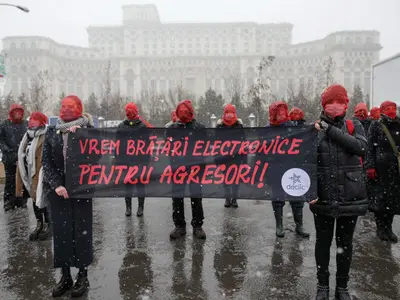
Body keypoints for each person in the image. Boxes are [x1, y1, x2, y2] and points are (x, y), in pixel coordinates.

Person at [310, 84, 368, 300]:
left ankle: (342, 287)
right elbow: (304, 162)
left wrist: (330, 130)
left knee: (345, 245)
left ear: (346, 105)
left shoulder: (355, 126)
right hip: (322, 195)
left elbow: (360, 148)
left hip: (349, 195)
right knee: (322, 244)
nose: (335, 107)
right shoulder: (312, 130)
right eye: (330, 103)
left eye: (339, 102)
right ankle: (322, 286)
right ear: (324, 105)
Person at [42, 95, 94, 298]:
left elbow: (96, 159)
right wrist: (57, 185)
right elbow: (46, 161)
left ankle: (82, 275)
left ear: (79, 109)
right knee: (62, 233)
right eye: (63, 107)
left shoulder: (88, 130)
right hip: (59, 192)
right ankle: (65, 276)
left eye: (71, 107)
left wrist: (81, 137)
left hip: (81, 189)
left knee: (81, 231)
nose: (66, 110)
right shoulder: (52, 131)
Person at [267, 101, 309, 238]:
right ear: (273, 114)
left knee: (297, 198)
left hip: (292, 168)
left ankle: (299, 225)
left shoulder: (293, 127)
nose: (281, 115)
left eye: (283, 112)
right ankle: (279, 225)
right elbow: (262, 150)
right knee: (278, 199)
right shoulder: (267, 129)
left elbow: (302, 145)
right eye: (278, 113)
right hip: (275, 168)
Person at [168, 100, 206, 240]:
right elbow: (168, 147)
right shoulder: (172, 129)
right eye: (181, 111)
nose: (183, 113)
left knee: (196, 197)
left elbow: (205, 147)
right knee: (177, 197)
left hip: (195, 168)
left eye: (185, 111)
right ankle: (179, 226)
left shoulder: (199, 128)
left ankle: (198, 226)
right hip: (178, 168)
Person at [366, 100, 400, 243]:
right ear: (382, 110)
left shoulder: (399, 124)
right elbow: (369, 147)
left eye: (393, 108)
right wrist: (370, 166)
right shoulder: (376, 125)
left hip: (395, 168)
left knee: (392, 200)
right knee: (380, 199)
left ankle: (389, 228)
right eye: (387, 108)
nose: (391, 110)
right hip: (380, 169)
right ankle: (381, 228)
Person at [16, 112, 51, 241]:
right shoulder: (27, 136)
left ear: (41, 122)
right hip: (27, 172)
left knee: (42, 199)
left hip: (40, 172)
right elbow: (22, 153)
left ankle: (48, 224)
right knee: (33, 200)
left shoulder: (46, 135)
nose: (30, 121)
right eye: (30, 119)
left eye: (34, 119)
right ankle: (39, 224)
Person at [118, 102, 151, 217]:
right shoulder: (121, 126)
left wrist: (147, 160)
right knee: (127, 185)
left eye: (131, 110)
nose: (130, 112)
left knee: (140, 185)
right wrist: (118, 160)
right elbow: (118, 144)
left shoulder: (142, 126)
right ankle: (128, 207)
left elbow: (147, 144)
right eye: (128, 110)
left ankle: (140, 207)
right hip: (126, 161)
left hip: (140, 161)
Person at [0, 104, 28, 211]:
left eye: (19, 112)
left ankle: (21, 201)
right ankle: (8, 201)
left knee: (22, 180)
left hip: (22, 157)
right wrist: (7, 149)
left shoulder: (25, 124)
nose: (17, 114)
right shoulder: (5, 124)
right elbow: (1, 140)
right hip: (9, 158)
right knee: (10, 180)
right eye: (15, 112)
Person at [216, 104, 244, 208]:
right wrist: (217, 158)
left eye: (231, 113)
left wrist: (243, 159)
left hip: (236, 157)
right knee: (226, 179)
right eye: (227, 113)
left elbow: (243, 142)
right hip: (224, 157)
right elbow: (217, 143)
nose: (229, 116)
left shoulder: (238, 126)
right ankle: (228, 198)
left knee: (235, 179)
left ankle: (234, 199)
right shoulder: (220, 127)